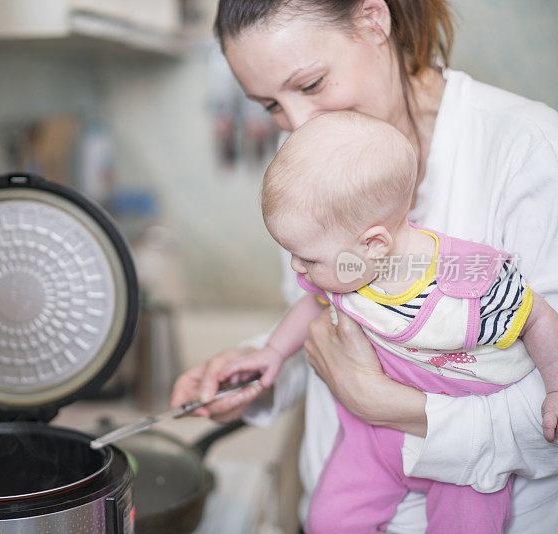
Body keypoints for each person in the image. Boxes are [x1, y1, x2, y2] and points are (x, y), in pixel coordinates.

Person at [170, 0, 558, 531]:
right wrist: (265, 367)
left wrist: (386, 405)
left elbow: (547, 415)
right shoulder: (308, 172)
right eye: (270, 105)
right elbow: (334, 314)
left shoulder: (528, 149)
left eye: (310, 85)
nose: (296, 125)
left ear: (374, 19)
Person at [216, 110, 558, 533]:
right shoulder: (346, 266)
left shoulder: (469, 281)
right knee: (329, 521)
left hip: (461, 456)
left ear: (375, 243)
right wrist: (271, 352)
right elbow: (312, 307)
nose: (296, 269)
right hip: (371, 441)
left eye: (307, 258)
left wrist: (555, 386)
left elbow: (539, 318)